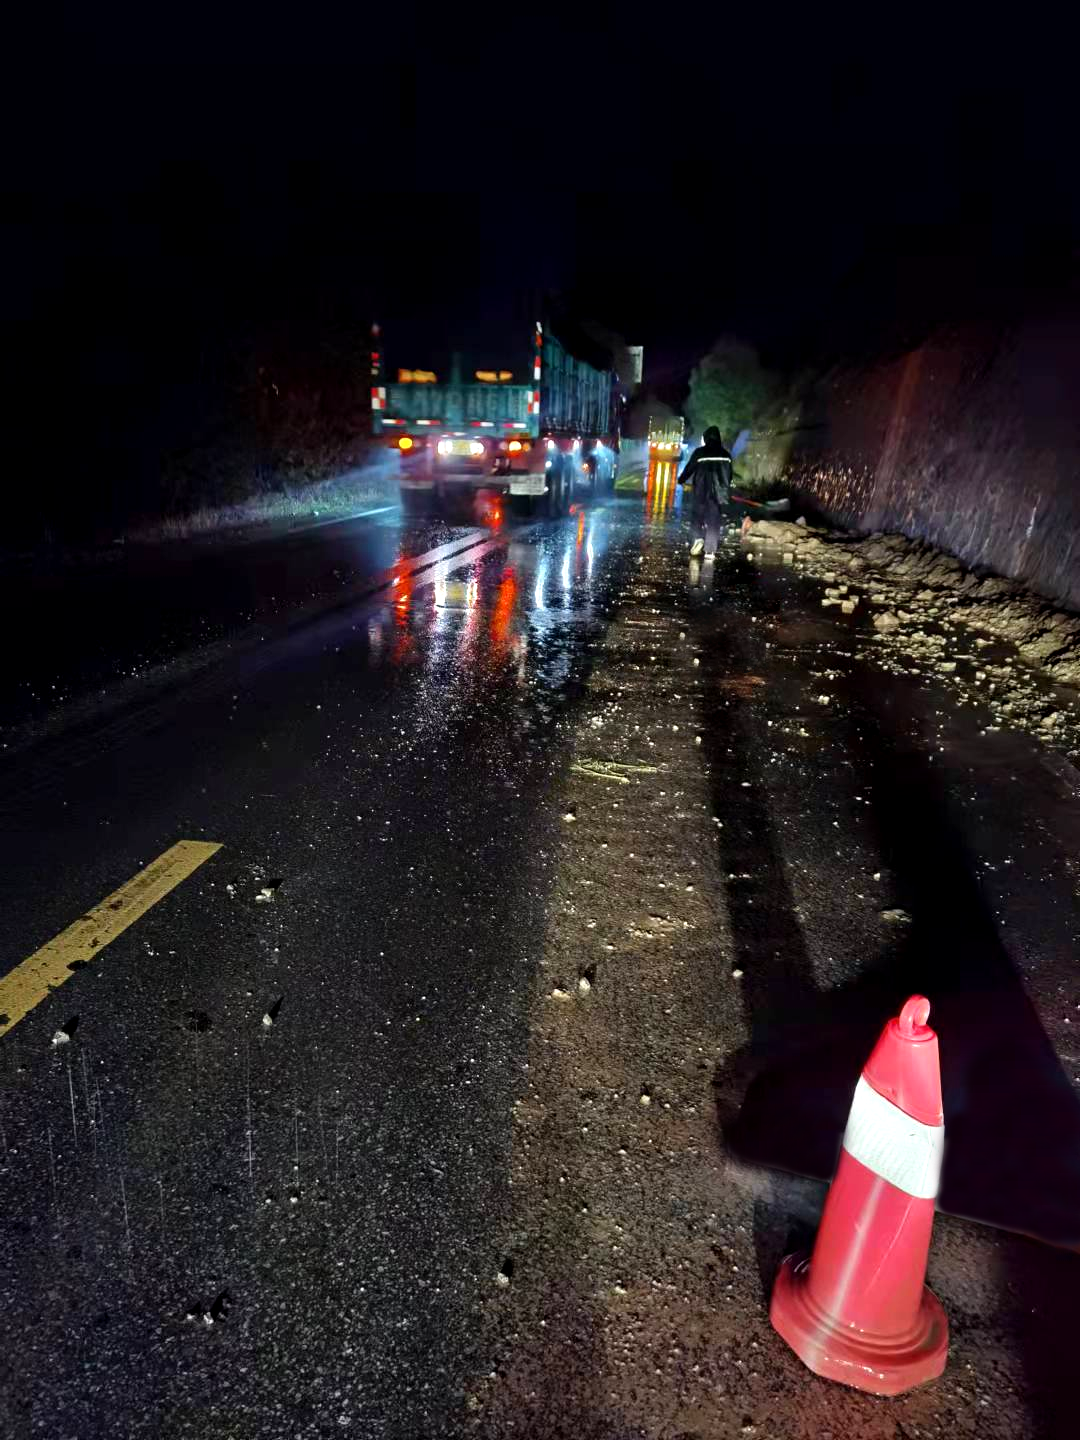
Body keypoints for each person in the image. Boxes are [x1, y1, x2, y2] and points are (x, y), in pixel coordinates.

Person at [679, 425, 732, 558]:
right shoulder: (726, 455)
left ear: (706, 438)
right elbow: (729, 475)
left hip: (701, 490)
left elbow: (690, 468)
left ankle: (697, 539)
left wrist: (681, 480)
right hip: (717, 493)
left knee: (697, 516)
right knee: (714, 520)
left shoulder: (700, 452)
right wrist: (725, 487)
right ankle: (710, 550)